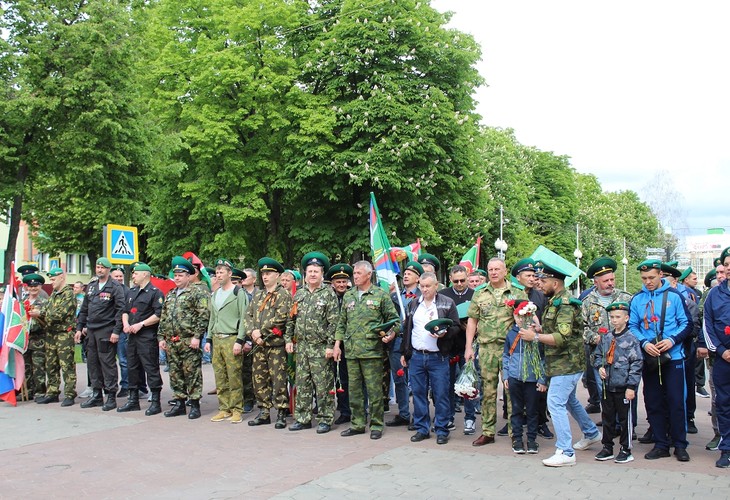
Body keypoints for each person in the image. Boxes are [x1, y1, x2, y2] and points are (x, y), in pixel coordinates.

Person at [520, 260, 602, 467]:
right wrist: (539, 331)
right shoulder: (555, 301)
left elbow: (562, 337)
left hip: (566, 363)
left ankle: (565, 451)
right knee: (569, 401)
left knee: (555, 402)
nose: (539, 284)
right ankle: (591, 432)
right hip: (560, 363)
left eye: (543, 280)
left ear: (555, 283)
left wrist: (535, 337)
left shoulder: (565, 303)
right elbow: (556, 331)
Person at [628, 260, 692, 461]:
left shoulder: (675, 296)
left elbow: (687, 324)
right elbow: (632, 326)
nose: (648, 282)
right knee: (653, 400)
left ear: (660, 275)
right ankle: (661, 443)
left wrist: (672, 340)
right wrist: (645, 342)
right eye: (644, 278)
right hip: (650, 357)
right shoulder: (637, 299)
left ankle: (680, 445)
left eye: (652, 278)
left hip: (673, 357)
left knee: (676, 401)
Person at [334, 261, 400, 440]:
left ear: (368, 275)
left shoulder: (380, 295)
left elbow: (395, 321)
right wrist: (337, 345)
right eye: (354, 273)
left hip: (372, 351)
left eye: (358, 273)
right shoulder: (349, 295)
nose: (354, 276)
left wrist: (391, 335)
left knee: (374, 391)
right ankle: (357, 424)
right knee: (354, 390)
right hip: (352, 351)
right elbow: (342, 323)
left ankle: (377, 424)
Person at [465, 257, 527, 446]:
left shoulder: (517, 292)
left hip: (511, 349)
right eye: (490, 269)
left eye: (497, 269)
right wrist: (469, 347)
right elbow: (472, 321)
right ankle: (488, 431)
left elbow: (527, 317)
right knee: (488, 391)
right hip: (487, 348)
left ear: (505, 271)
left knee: (512, 391)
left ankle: (514, 432)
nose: (493, 272)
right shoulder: (480, 293)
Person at [401, 271, 460, 445]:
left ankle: (442, 429)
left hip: (438, 357)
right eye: (422, 286)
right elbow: (407, 329)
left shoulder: (446, 303)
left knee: (441, 394)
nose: (424, 289)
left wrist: (445, 333)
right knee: (418, 394)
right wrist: (405, 352)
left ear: (436, 286)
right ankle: (422, 428)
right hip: (417, 356)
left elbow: (456, 326)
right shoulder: (413, 304)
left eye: (428, 286)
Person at [286, 252, 339, 434]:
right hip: (301, 347)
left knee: (323, 385)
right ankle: (303, 418)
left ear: (322, 273)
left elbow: (334, 322)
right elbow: (291, 320)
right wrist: (288, 340)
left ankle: (325, 418)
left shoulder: (328, 294)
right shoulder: (299, 294)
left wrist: (331, 346)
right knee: (303, 384)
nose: (313, 274)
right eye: (310, 271)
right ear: (305, 274)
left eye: (316, 271)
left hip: (320, 348)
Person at [157, 256, 211, 419]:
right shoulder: (171, 294)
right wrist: (161, 337)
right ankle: (179, 402)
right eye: (176, 275)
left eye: (181, 275)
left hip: (189, 340)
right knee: (175, 373)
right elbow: (164, 316)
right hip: (172, 340)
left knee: (192, 372)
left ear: (189, 276)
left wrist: (197, 336)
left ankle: (194, 404)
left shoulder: (196, 292)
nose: (177, 278)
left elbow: (203, 315)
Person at [593, 302, 643, 464]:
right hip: (608, 386)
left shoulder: (631, 339)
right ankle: (607, 446)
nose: (614, 320)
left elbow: (636, 364)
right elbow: (597, 355)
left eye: (618, 317)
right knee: (607, 417)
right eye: (612, 317)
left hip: (623, 386)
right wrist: (599, 367)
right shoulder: (607, 337)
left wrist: (631, 386)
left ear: (626, 318)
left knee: (624, 419)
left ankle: (626, 448)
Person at [581, 257, 632, 414]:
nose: (610, 283)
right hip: (600, 356)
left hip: (624, 356)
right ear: (596, 283)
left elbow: (634, 324)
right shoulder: (588, 302)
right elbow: (582, 327)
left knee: (625, 392)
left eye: (612, 279)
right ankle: (610, 424)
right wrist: (594, 338)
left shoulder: (626, 298)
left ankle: (624, 426)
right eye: (605, 281)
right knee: (604, 392)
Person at [246, 257, 292, 429]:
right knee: (259, 379)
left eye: (269, 273)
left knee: (278, 379)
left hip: (275, 345)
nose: (265, 277)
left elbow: (281, 318)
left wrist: (262, 332)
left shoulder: (283, 295)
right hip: (259, 345)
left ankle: (281, 412)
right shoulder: (258, 294)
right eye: (263, 273)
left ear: (277, 275)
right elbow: (248, 316)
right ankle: (264, 411)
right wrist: (252, 333)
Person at [75, 257, 126, 411]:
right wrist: (79, 328)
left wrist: (116, 331)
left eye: (102, 268)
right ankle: (97, 394)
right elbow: (84, 309)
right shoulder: (91, 286)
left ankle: (110, 396)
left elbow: (120, 310)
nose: (99, 270)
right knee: (93, 363)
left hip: (106, 329)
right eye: (97, 267)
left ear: (108, 269)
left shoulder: (115, 287)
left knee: (107, 363)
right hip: (91, 330)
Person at [511, 257, 553, 439]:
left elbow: (546, 320)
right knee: (514, 386)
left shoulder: (540, 295)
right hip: (517, 345)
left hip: (537, 344)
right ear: (518, 278)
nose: (532, 278)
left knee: (538, 387)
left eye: (534, 275)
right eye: (528, 275)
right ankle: (514, 423)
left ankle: (541, 422)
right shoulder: (512, 294)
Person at [116, 262, 164, 415]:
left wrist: (141, 324)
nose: (134, 276)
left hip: (147, 337)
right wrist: (125, 323)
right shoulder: (131, 292)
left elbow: (159, 314)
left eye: (136, 273)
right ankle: (133, 400)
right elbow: (125, 310)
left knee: (151, 368)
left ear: (145, 274)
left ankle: (155, 401)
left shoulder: (155, 293)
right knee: (132, 368)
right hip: (131, 336)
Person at [206, 259, 249, 424]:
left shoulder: (238, 293)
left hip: (231, 338)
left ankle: (237, 409)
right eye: (217, 272)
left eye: (221, 272)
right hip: (217, 338)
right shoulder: (216, 294)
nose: (218, 275)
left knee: (234, 376)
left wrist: (240, 340)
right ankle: (224, 408)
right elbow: (212, 318)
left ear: (230, 274)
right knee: (220, 376)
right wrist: (209, 338)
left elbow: (244, 317)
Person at [502, 300, 546, 455]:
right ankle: (517, 439)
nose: (521, 320)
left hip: (532, 379)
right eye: (519, 316)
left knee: (533, 410)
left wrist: (542, 378)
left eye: (526, 316)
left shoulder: (536, 336)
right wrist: (506, 375)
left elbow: (542, 358)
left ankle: (532, 439)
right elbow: (506, 356)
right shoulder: (511, 334)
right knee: (516, 409)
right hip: (515, 377)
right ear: (514, 317)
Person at [33, 268, 78, 406]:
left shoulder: (68, 294)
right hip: (51, 333)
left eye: (53, 279)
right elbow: (48, 309)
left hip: (64, 334)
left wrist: (39, 313)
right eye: (50, 280)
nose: (51, 282)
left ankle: (70, 394)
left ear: (62, 277)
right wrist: (40, 313)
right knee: (51, 364)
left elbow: (59, 315)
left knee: (66, 365)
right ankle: (52, 392)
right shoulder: (54, 294)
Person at [385, 260, 422, 428]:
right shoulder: (395, 297)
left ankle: (419, 416)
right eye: (405, 273)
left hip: (415, 341)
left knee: (416, 380)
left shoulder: (423, 296)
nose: (406, 275)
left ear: (418, 278)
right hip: (397, 341)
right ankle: (404, 413)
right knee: (399, 377)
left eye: (410, 273)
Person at [439, 264, 476, 435]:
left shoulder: (474, 295)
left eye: (462, 280)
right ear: (451, 280)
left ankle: (470, 418)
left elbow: (480, 320)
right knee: (447, 384)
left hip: (467, 347)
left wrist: (469, 327)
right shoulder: (444, 295)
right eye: (456, 281)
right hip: (447, 346)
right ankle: (448, 416)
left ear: (467, 277)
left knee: (468, 383)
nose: (460, 284)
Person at [702, 246, 730, 467]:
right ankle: (727, 448)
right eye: (727, 265)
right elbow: (708, 325)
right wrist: (721, 350)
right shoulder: (714, 294)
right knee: (724, 404)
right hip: (723, 359)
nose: (729, 269)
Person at [327, 263, 354, 424]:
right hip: (331, 344)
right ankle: (339, 409)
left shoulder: (352, 297)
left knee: (347, 379)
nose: (342, 285)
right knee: (334, 379)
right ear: (333, 283)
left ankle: (348, 410)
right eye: (338, 282)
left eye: (344, 281)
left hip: (348, 345)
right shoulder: (328, 297)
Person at [22, 273, 48, 400]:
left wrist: (38, 315)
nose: (33, 289)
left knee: (39, 367)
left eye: (36, 286)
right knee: (26, 366)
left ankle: (40, 392)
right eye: (31, 286)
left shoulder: (44, 302)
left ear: (40, 286)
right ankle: (28, 390)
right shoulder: (23, 302)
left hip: (39, 339)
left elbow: (48, 320)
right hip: (25, 339)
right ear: (27, 287)